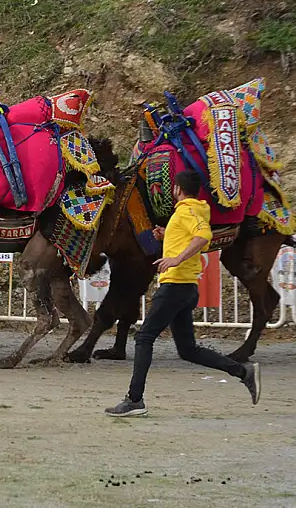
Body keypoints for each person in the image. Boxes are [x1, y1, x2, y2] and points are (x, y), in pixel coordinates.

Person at [104, 170, 260, 417]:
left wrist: (176, 258)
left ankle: (134, 399)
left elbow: (204, 236)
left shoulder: (186, 211)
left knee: (144, 338)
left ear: (177, 189)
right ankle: (243, 372)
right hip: (186, 287)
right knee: (188, 350)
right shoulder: (192, 210)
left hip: (175, 286)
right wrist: (167, 235)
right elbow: (194, 235)